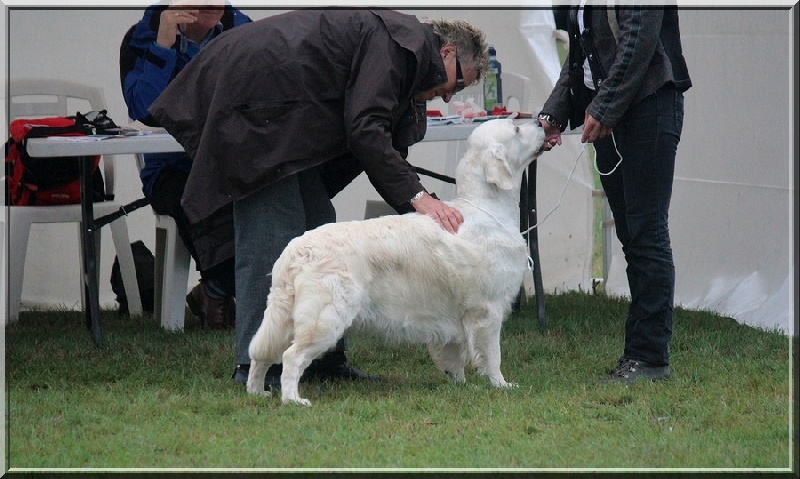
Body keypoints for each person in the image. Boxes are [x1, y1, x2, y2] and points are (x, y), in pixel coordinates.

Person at [148, 9, 489, 388]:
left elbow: (383, 142)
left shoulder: (407, 49)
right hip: (256, 101)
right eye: (457, 85)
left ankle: (325, 358)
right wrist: (419, 199)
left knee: (319, 225)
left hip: (279, 109)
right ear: (447, 52)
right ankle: (255, 366)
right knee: (271, 235)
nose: (447, 96)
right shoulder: (398, 44)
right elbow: (366, 130)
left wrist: (416, 202)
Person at [537, 5, 691, 382]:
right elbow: (580, 55)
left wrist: (604, 108)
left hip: (649, 105)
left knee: (647, 233)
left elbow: (638, 40)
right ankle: (639, 353)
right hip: (614, 111)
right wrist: (553, 114)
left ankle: (650, 357)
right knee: (631, 235)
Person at [119, 1, 251, 329]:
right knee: (195, 199)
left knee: (272, 194)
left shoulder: (244, 29)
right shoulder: (142, 38)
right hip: (171, 169)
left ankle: (215, 290)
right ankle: (225, 290)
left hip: (232, 162)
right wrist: (163, 45)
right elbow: (144, 109)